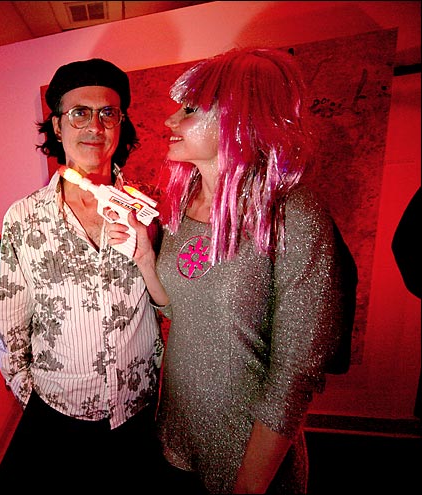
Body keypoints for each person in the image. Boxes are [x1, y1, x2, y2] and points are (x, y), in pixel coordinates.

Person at [109, 47, 352, 493]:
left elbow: (295, 374)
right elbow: (180, 315)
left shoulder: (292, 215)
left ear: (239, 119)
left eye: (189, 110)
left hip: (246, 457)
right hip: (175, 437)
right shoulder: (182, 205)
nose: (170, 121)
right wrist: (145, 260)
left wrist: (249, 485)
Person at [0, 58, 165, 493]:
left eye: (108, 113)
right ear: (56, 125)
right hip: (58, 412)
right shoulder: (23, 218)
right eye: (80, 113)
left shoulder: (151, 211)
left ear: (121, 123)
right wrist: (31, 396)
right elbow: (12, 323)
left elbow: (172, 305)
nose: (95, 126)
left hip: (138, 406)